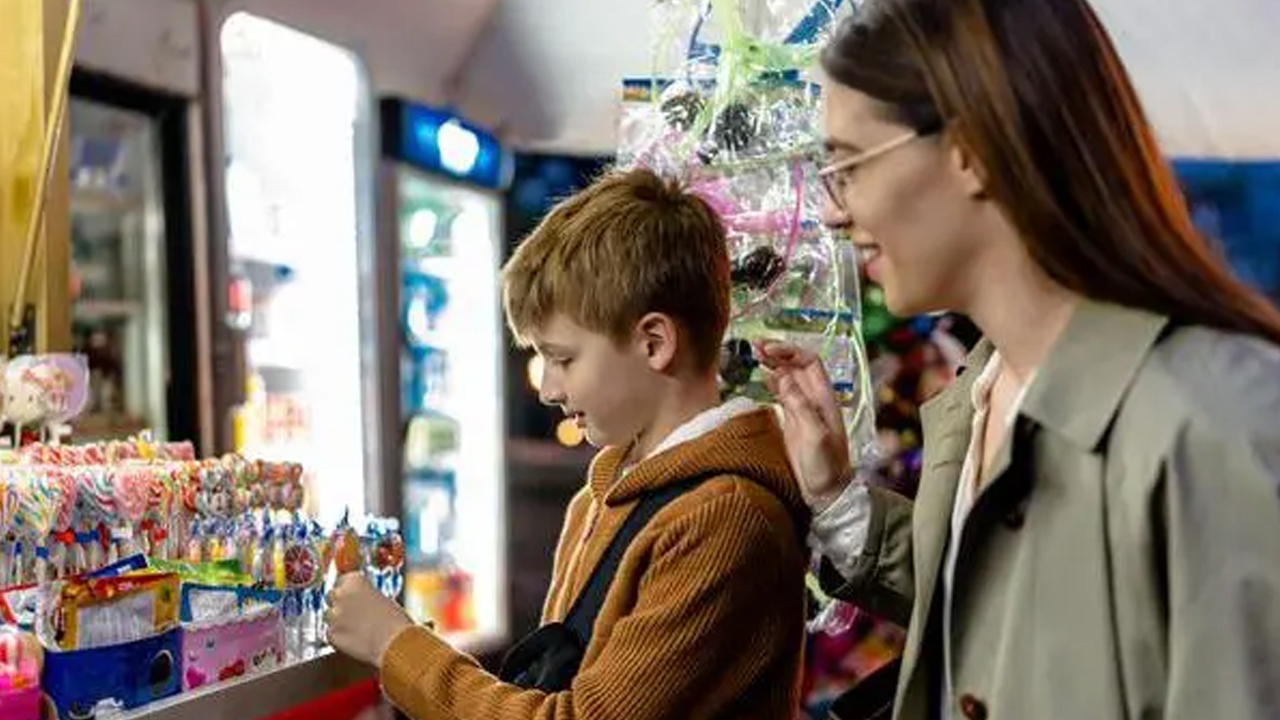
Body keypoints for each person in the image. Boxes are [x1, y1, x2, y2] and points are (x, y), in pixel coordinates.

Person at [757, 0, 1280, 719]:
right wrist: (839, 502)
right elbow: (1008, 611)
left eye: (847, 165)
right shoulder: (984, 390)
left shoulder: (1215, 424)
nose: (830, 212)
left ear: (971, 150)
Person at [326, 168, 811, 720]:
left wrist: (397, 646)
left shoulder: (724, 518)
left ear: (654, 342)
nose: (550, 389)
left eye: (564, 359)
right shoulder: (611, 493)